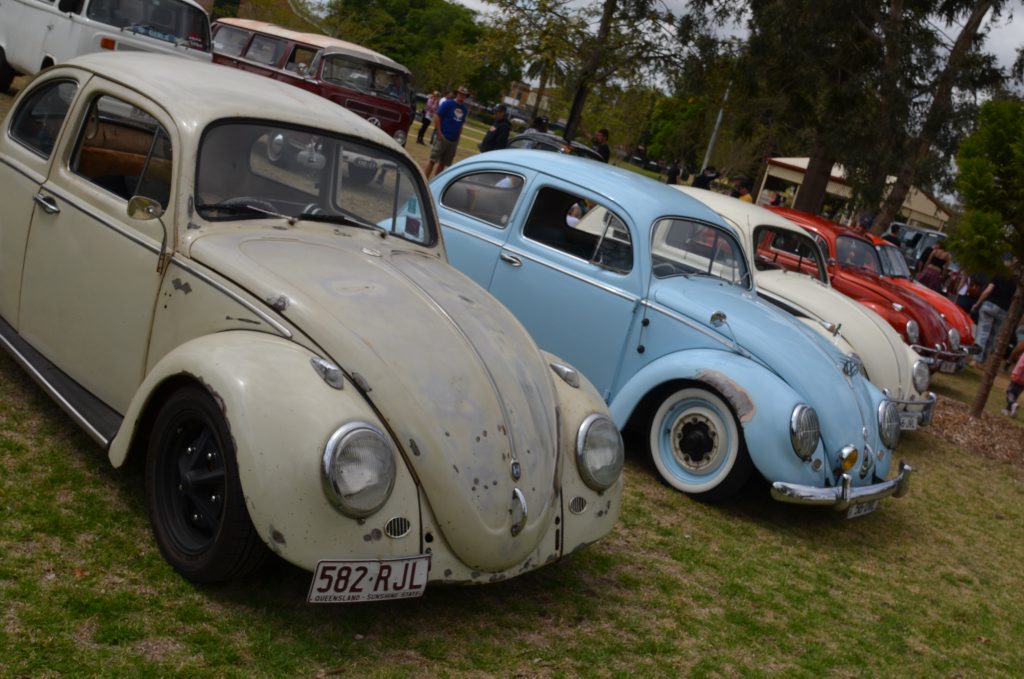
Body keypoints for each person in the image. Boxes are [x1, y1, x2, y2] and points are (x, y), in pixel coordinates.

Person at [423, 86, 469, 180]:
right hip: (442, 137)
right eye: (460, 94)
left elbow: (461, 124)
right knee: (432, 160)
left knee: (443, 164)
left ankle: (435, 182)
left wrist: (458, 138)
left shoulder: (464, 109)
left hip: (453, 140)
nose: (462, 96)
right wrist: (439, 132)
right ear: (457, 94)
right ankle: (424, 181)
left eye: (464, 95)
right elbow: (437, 116)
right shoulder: (448, 103)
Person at [971, 272, 1017, 364]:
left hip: (990, 305)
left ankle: (976, 359)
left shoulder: (998, 274)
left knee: (982, 333)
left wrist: (977, 304)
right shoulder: (1017, 282)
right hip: (1004, 311)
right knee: (993, 336)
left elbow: (988, 290)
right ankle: (983, 360)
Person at [1002, 347, 1024, 417]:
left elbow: (1021, 365)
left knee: (1010, 392)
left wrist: (1016, 374)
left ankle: (1013, 404)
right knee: (1015, 394)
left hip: (1018, 377)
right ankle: (1008, 410)